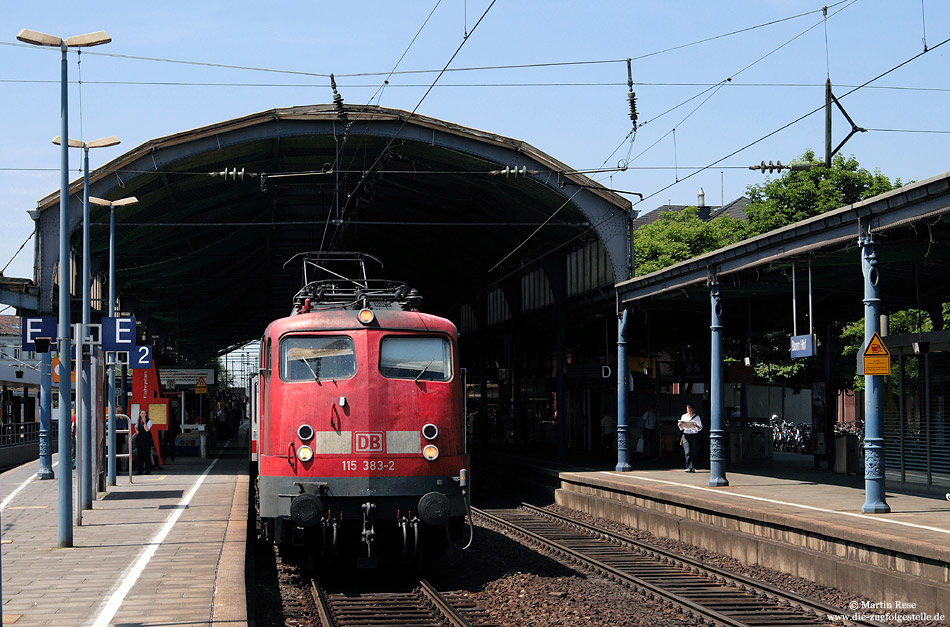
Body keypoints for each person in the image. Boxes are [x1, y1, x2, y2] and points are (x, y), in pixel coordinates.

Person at [677, 403, 703, 473]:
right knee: (687, 451)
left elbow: (700, 427)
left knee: (693, 451)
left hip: (694, 434)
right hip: (686, 434)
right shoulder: (684, 416)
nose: (689, 411)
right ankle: (689, 466)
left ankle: (693, 466)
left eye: (690, 409)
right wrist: (679, 425)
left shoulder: (697, 417)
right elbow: (682, 428)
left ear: (692, 409)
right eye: (688, 409)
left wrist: (696, 426)